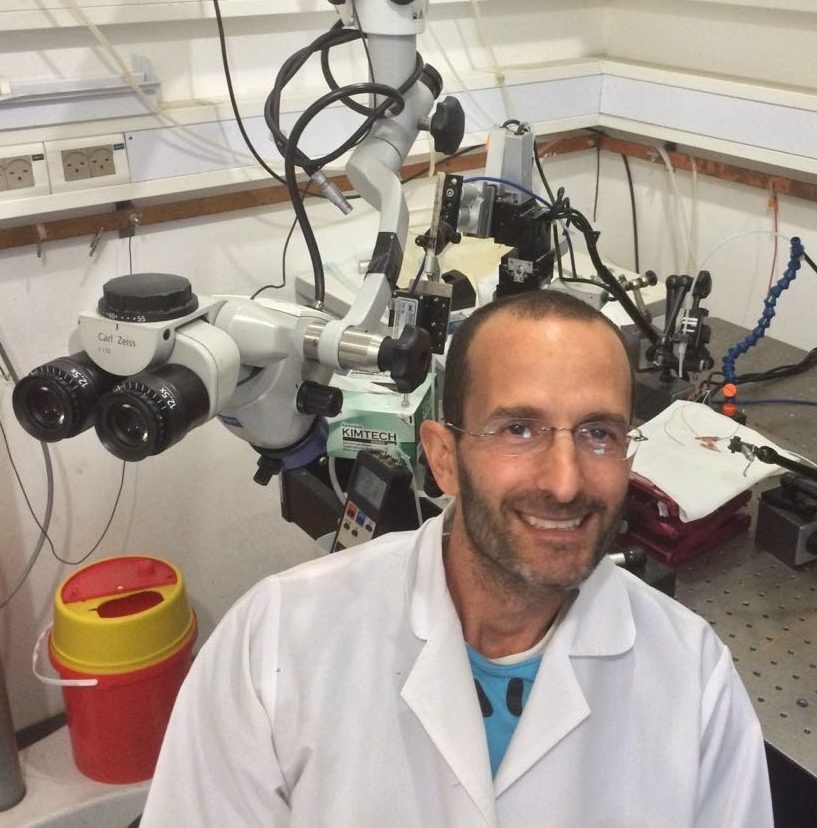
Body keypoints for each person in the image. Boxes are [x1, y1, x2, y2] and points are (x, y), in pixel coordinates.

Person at [140, 289, 773, 827]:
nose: (565, 482)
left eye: (598, 433)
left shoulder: (693, 681)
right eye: (518, 429)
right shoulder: (276, 643)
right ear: (443, 457)